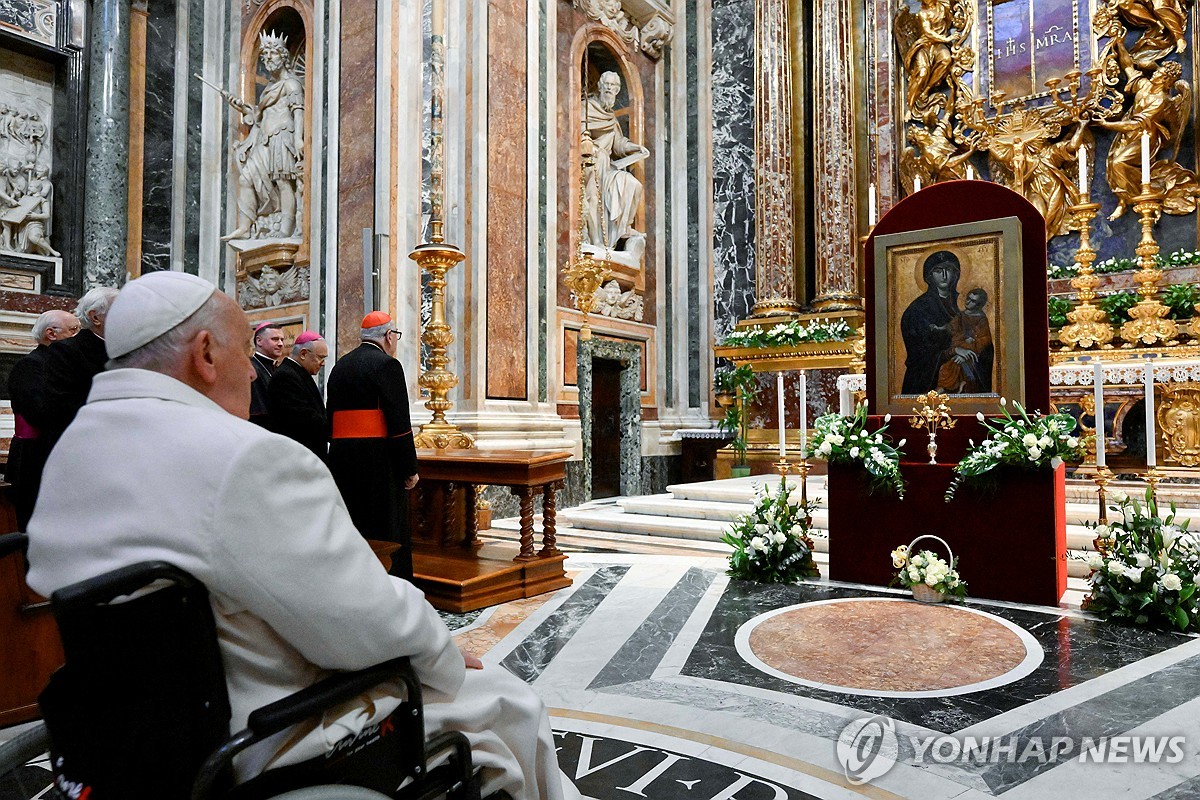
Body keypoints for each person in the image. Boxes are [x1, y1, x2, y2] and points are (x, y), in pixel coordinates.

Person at [24, 272, 579, 799]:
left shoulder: (73, 449)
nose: (252, 373)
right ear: (206, 354)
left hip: (124, 732)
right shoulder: (245, 457)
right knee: (507, 699)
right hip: (261, 732)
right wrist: (442, 654)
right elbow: (360, 621)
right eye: (245, 352)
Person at [326, 312, 419, 580]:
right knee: (386, 530)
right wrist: (409, 468)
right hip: (379, 463)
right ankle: (392, 585)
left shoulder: (340, 366)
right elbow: (399, 423)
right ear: (389, 336)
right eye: (396, 336)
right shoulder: (387, 365)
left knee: (353, 524)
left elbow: (331, 415)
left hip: (343, 461)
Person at [6, 309, 79, 529]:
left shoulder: (63, 364)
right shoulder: (31, 365)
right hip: (33, 457)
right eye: (73, 330)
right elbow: (39, 412)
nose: (78, 336)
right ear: (51, 334)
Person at [40, 286, 118, 448]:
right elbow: (62, 405)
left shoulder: (125, 350)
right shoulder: (65, 351)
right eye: (120, 310)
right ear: (95, 317)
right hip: (80, 444)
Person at [900, 250, 963, 395]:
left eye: (948, 270)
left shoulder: (966, 302)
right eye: (938, 271)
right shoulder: (917, 309)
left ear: (956, 274)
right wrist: (951, 352)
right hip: (927, 379)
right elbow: (918, 351)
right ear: (929, 276)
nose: (944, 275)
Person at [268, 330, 329, 460]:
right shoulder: (286, 376)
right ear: (303, 354)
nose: (322, 363)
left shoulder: (298, 373)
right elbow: (303, 418)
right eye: (320, 357)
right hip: (297, 455)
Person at [936, 287, 993, 394]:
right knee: (946, 367)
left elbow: (984, 340)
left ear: (979, 305)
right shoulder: (961, 315)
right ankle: (953, 386)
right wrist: (940, 328)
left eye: (973, 301)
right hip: (959, 345)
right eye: (968, 298)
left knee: (953, 366)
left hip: (972, 350)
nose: (968, 302)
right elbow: (951, 327)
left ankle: (957, 385)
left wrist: (966, 350)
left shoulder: (981, 319)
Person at [249, 321, 285, 428]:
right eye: (275, 339)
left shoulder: (277, 368)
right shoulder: (251, 368)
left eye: (282, 340)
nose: (280, 344)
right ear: (259, 341)